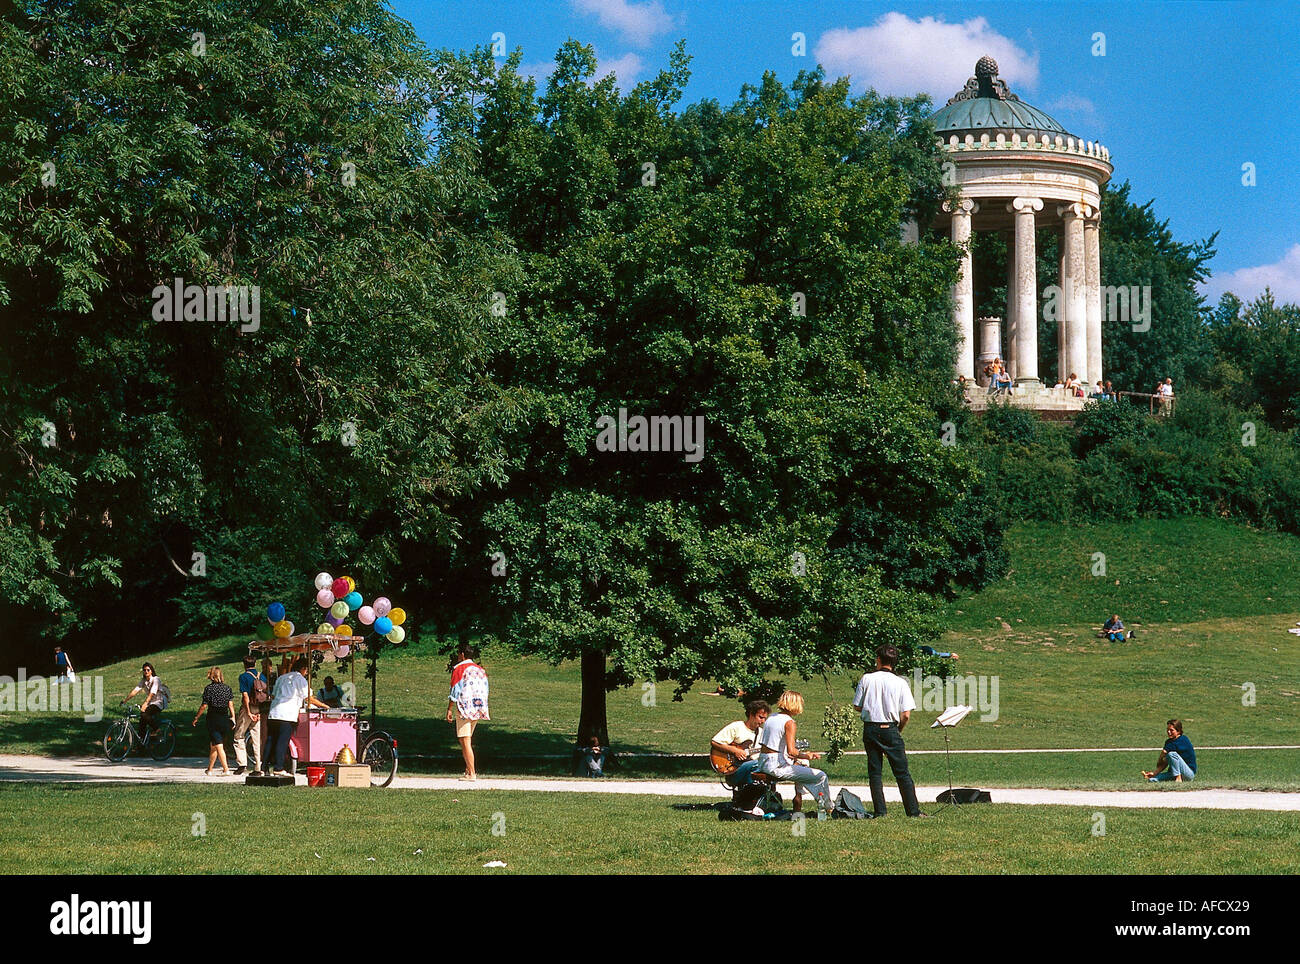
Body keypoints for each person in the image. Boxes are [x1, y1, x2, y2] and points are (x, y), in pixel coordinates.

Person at [853, 645, 925, 817]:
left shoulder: (867, 678)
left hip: (870, 728)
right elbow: (906, 715)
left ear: (878, 660)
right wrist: (898, 730)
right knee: (902, 772)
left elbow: (857, 706)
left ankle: (880, 811)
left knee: (875, 773)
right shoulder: (900, 682)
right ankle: (913, 811)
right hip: (890, 728)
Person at [755, 691, 833, 814]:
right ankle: (828, 808)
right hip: (776, 766)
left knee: (802, 765)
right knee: (821, 776)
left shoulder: (771, 718)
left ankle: (798, 806)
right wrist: (807, 755)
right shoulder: (789, 722)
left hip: (763, 762)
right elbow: (792, 751)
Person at [268, 657, 329, 776]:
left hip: (274, 713)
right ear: (303, 669)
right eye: (307, 670)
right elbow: (308, 698)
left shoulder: (282, 677)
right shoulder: (300, 679)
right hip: (287, 715)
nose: (306, 673)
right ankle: (279, 767)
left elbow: (274, 696)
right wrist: (324, 706)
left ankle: (265, 767)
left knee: (272, 740)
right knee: (283, 741)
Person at [446, 643, 489, 781]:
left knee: (465, 741)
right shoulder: (480, 670)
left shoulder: (459, 669)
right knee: (466, 738)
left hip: (464, 708)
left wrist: (449, 709)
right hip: (478, 707)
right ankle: (467, 770)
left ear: (462, 654)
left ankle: (472, 773)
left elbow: (455, 690)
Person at [711, 700, 770, 788]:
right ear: (751, 714)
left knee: (769, 765)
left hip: (751, 766)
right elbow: (715, 742)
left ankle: (759, 794)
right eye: (760, 717)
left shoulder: (761, 733)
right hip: (733, 770)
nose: (763, 721)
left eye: (765, 718)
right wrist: (735, 751)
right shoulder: (737, 727)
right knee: (757, 764)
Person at [192, 667, 236, 775]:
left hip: (213, 719)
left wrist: (197, 717)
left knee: (218, 745)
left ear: (211, 676)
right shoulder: (227, 688)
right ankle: (210, 769)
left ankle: (226, 769)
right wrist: (233, 717)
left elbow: (204, 705)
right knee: (214, 745)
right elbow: (230, 704)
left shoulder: (209, 689)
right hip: (224, 718)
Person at [232, 655, 266, 776]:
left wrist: (248, 712)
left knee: (239, 735)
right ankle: (258, 767)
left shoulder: (243, 677)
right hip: (260, 709)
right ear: (255, 664)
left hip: (248, 709)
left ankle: (242, 763)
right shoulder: (262, 676)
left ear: (244, 664)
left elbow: (245, 696)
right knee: (257, 739)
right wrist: (260, 712)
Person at [124, 662, 167, 736]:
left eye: (148, 670)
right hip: (151, 702)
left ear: (151, 671)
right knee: (142, 721)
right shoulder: (143, 680)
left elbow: (152, 693)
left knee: (144, 714)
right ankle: (141, 744)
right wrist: (125, 700)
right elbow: (135, 690)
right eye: (144, 670)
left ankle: (157, 729)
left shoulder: (156, 679)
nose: (146, 671)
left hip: (159, 702)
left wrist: (145, 703)